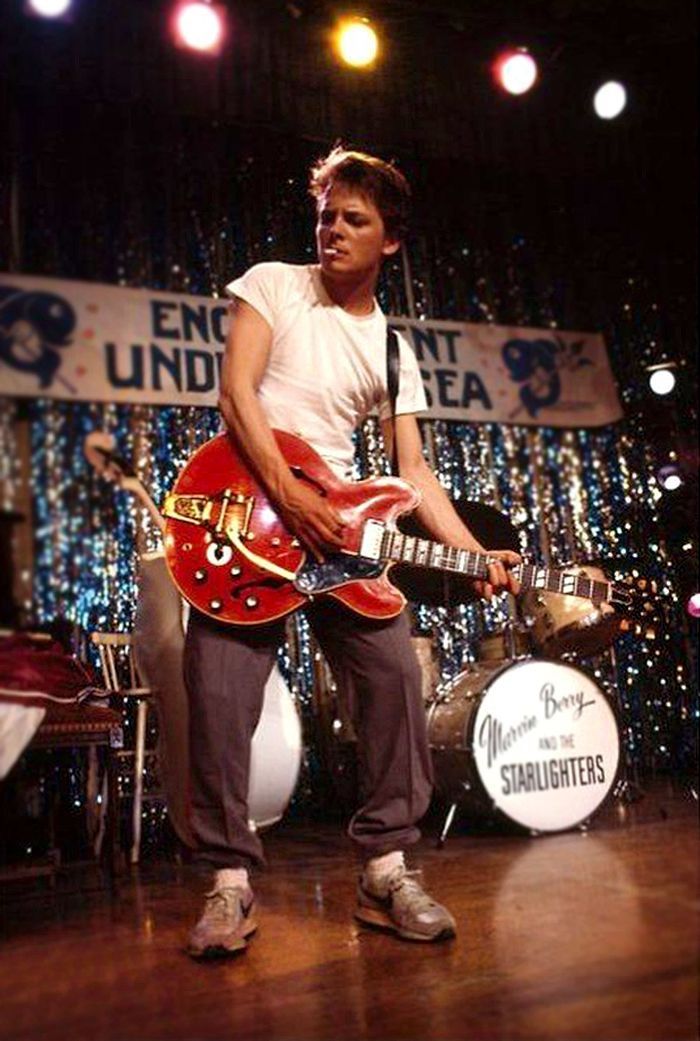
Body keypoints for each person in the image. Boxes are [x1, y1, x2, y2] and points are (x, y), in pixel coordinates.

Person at [184, 146, 520, 959]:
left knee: (394, 678)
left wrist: (480, 554)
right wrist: (290, 493)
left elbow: (414, 475)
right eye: (327, 213)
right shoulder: (273, 283)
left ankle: (384, 870)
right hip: (250, 519)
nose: (333, 228)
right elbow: (236, 394)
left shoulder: (393, 351)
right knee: (219, 694)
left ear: (390, 241)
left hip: (336, 536)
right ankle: (229, 882)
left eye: (354, 218)